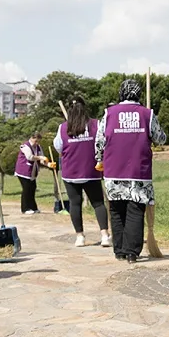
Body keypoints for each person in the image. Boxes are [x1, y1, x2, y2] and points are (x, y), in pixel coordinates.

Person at [95, 79, 166, 263]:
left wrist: (98, 160)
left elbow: (99, 142)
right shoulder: (147, 114)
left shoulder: (108, 113)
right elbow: (160, 138)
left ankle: (119, 250)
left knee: (117, 210)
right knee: (136, 210)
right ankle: (132, 252)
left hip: (113, 171)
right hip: (139, 171)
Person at [53, 95, 111, 248]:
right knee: (98, 203)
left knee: (75, 204)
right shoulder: (95, 124)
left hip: (70, 172)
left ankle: (80, 236)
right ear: (84, 108)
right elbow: (103, 143)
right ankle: (105, 235)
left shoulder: (63, 127)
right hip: (91, 170)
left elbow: (58, 147)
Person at [15, 133, 53, 215]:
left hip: (32, 172)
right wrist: (40, 157)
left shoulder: (38, 147)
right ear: (32, 138)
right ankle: (25, 208)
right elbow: (30, 157)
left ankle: (33, 207)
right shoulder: (25, 146)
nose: (37, 143)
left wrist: (49, 164)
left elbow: (42, 159)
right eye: (36, 141)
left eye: (38, 141)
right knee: (26, 189)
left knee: (32, 188)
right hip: (23, 171)